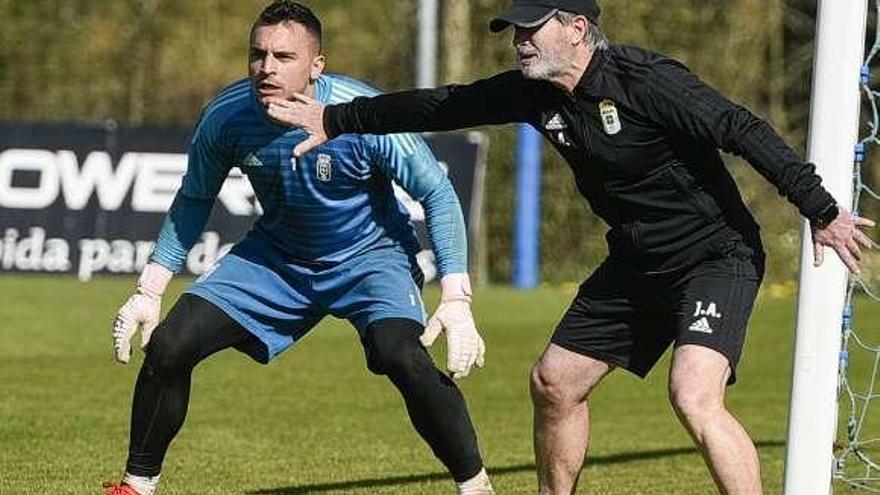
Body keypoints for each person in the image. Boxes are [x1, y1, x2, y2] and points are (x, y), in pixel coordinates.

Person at [268, 0, 876, 493]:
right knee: (554, 382)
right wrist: (337, 120)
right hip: (637, 263)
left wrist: (820, 210)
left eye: (533, 27)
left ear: (579, 29)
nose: (520, 40)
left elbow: (740, 128)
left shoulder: (647, 81)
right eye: (514, 30)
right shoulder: (534, 93)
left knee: (692, 394)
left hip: (715, 257)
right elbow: (445, 103)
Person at [103, 2, 496, 494]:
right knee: (169, 345)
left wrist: (457, 297)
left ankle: (476, 485)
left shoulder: (361, 111)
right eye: (258, 54)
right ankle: (135, 487)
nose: (267, 67)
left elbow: (436, 192)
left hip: (371, 258)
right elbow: (195, 196)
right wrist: (150, 286)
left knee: (402, 355)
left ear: (316, 65)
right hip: (278, 258)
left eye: (284, 56)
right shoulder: (226, 117)